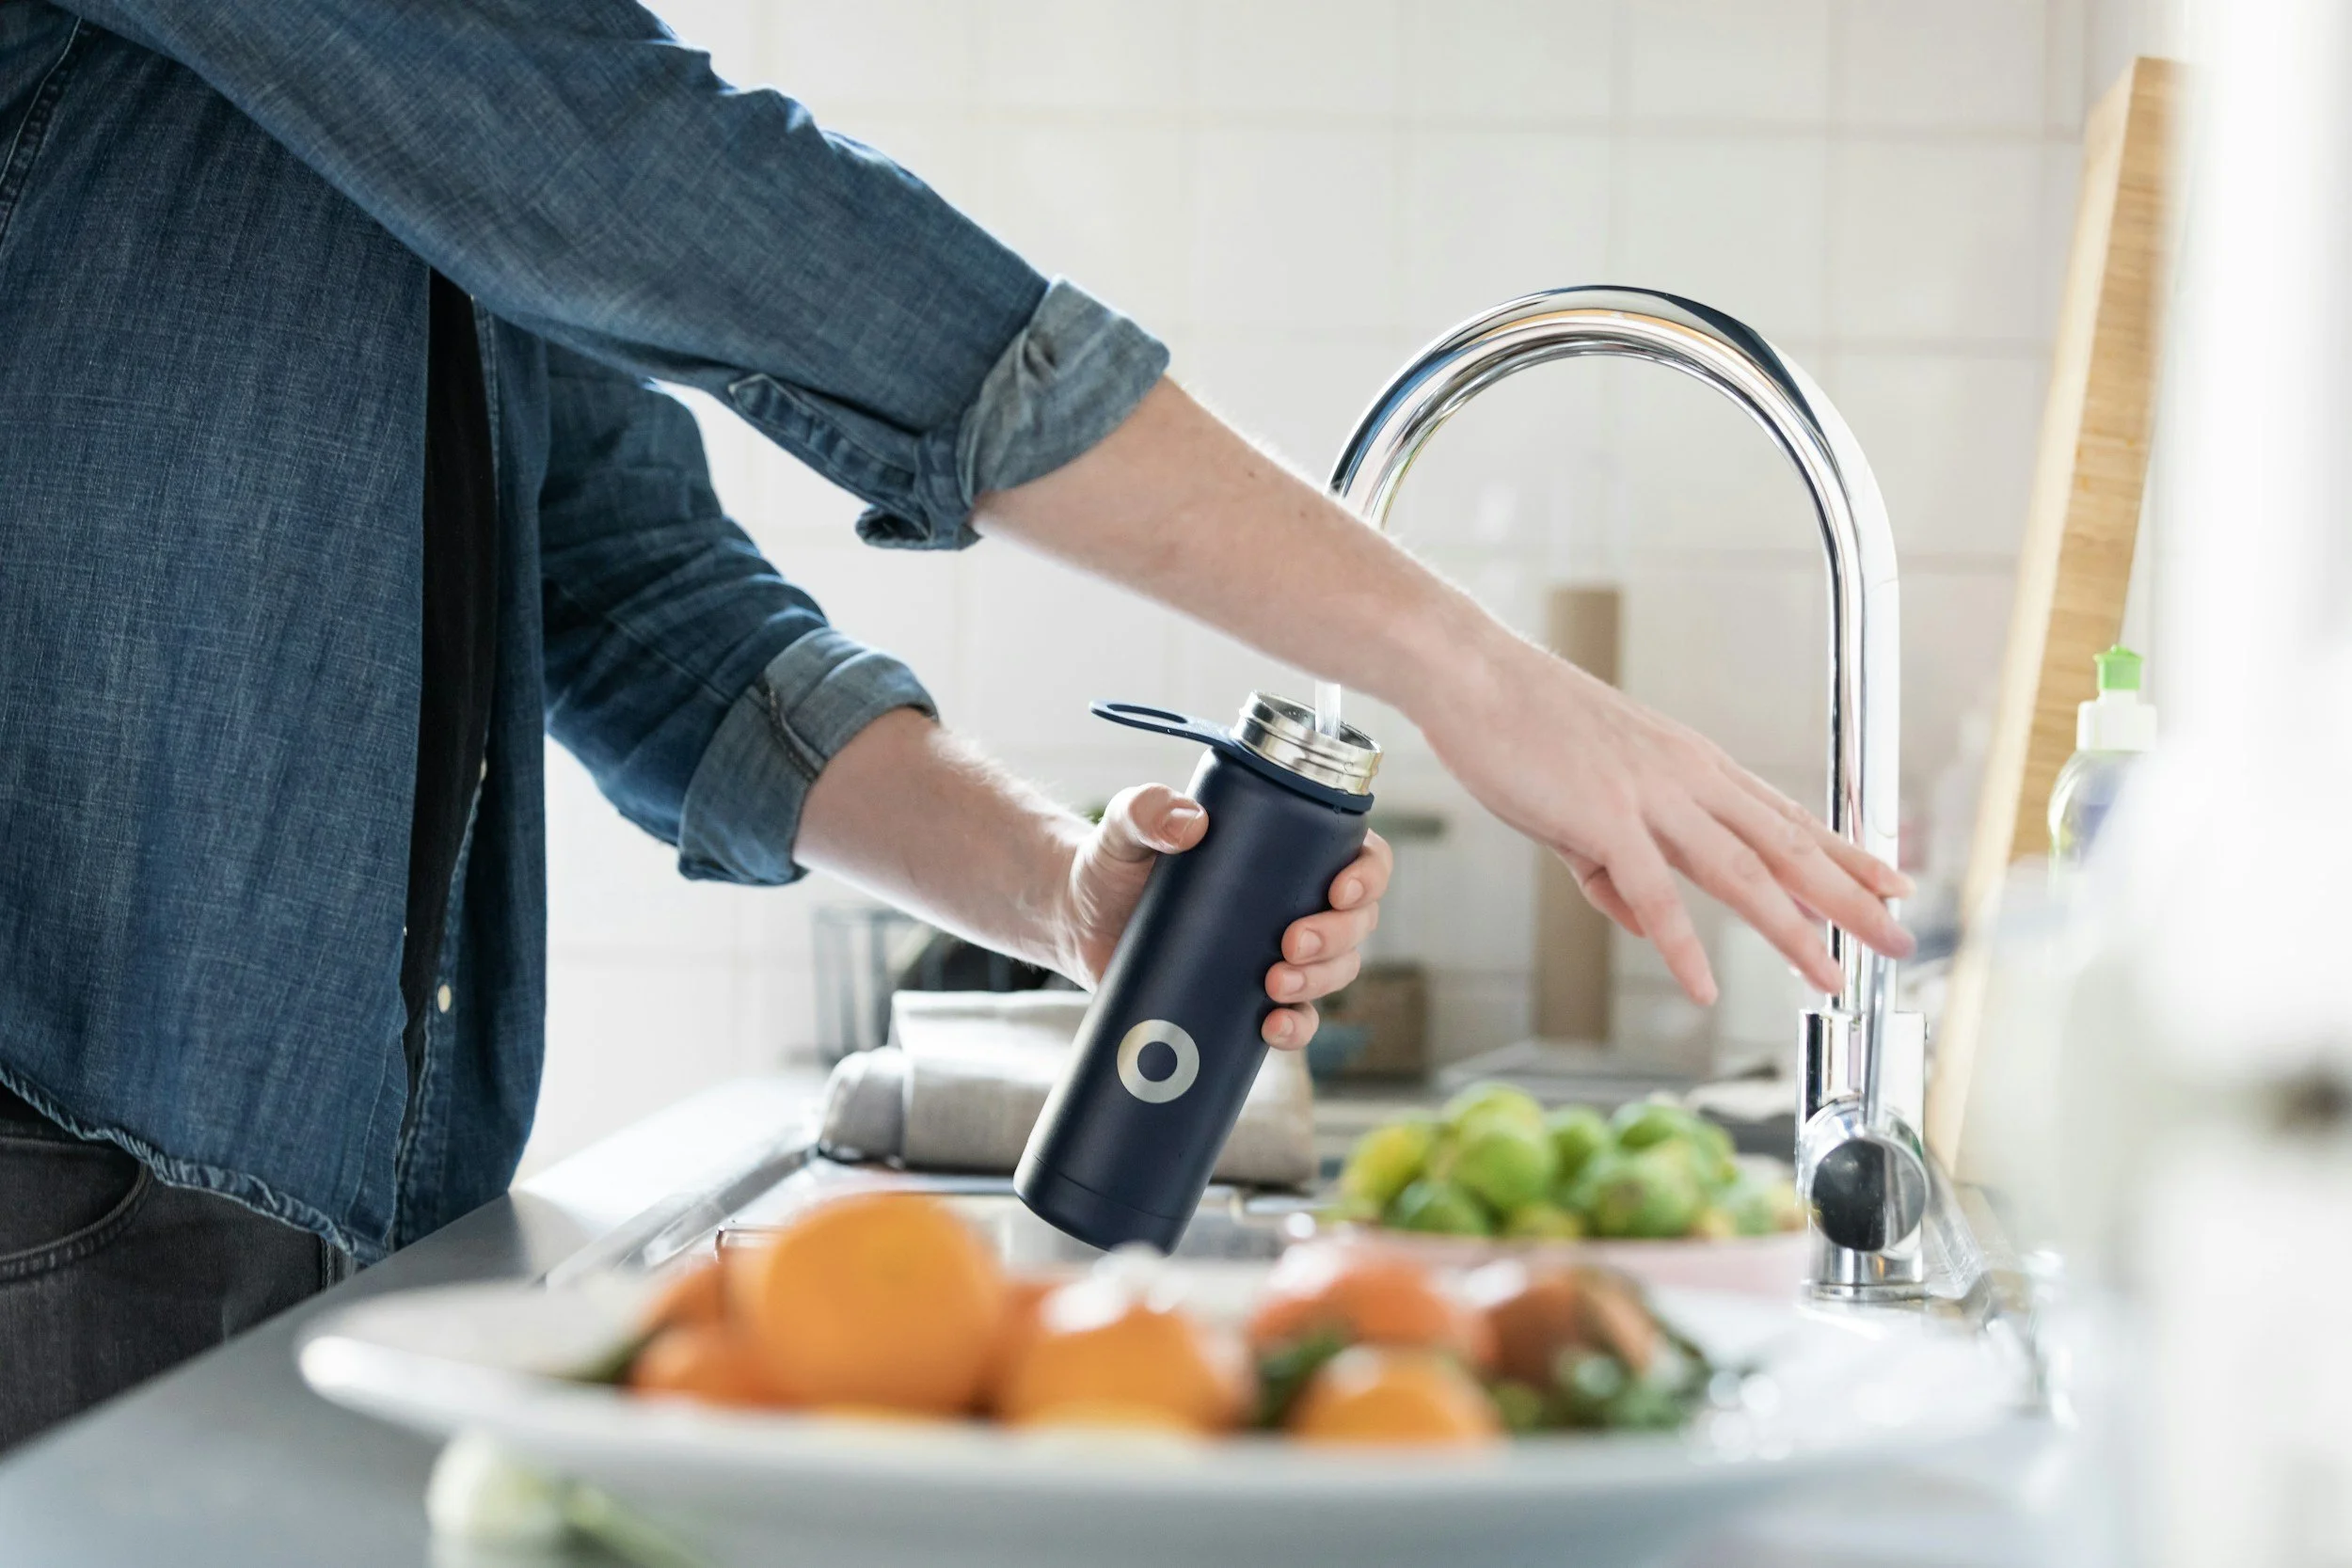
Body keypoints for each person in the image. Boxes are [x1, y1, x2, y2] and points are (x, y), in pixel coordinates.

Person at [0, 1, 1913, 1447]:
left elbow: (627, 589)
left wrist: (1057, 888)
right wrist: (1465, 669)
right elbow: (686, 196)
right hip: (54, 1198)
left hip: (311, 1212)